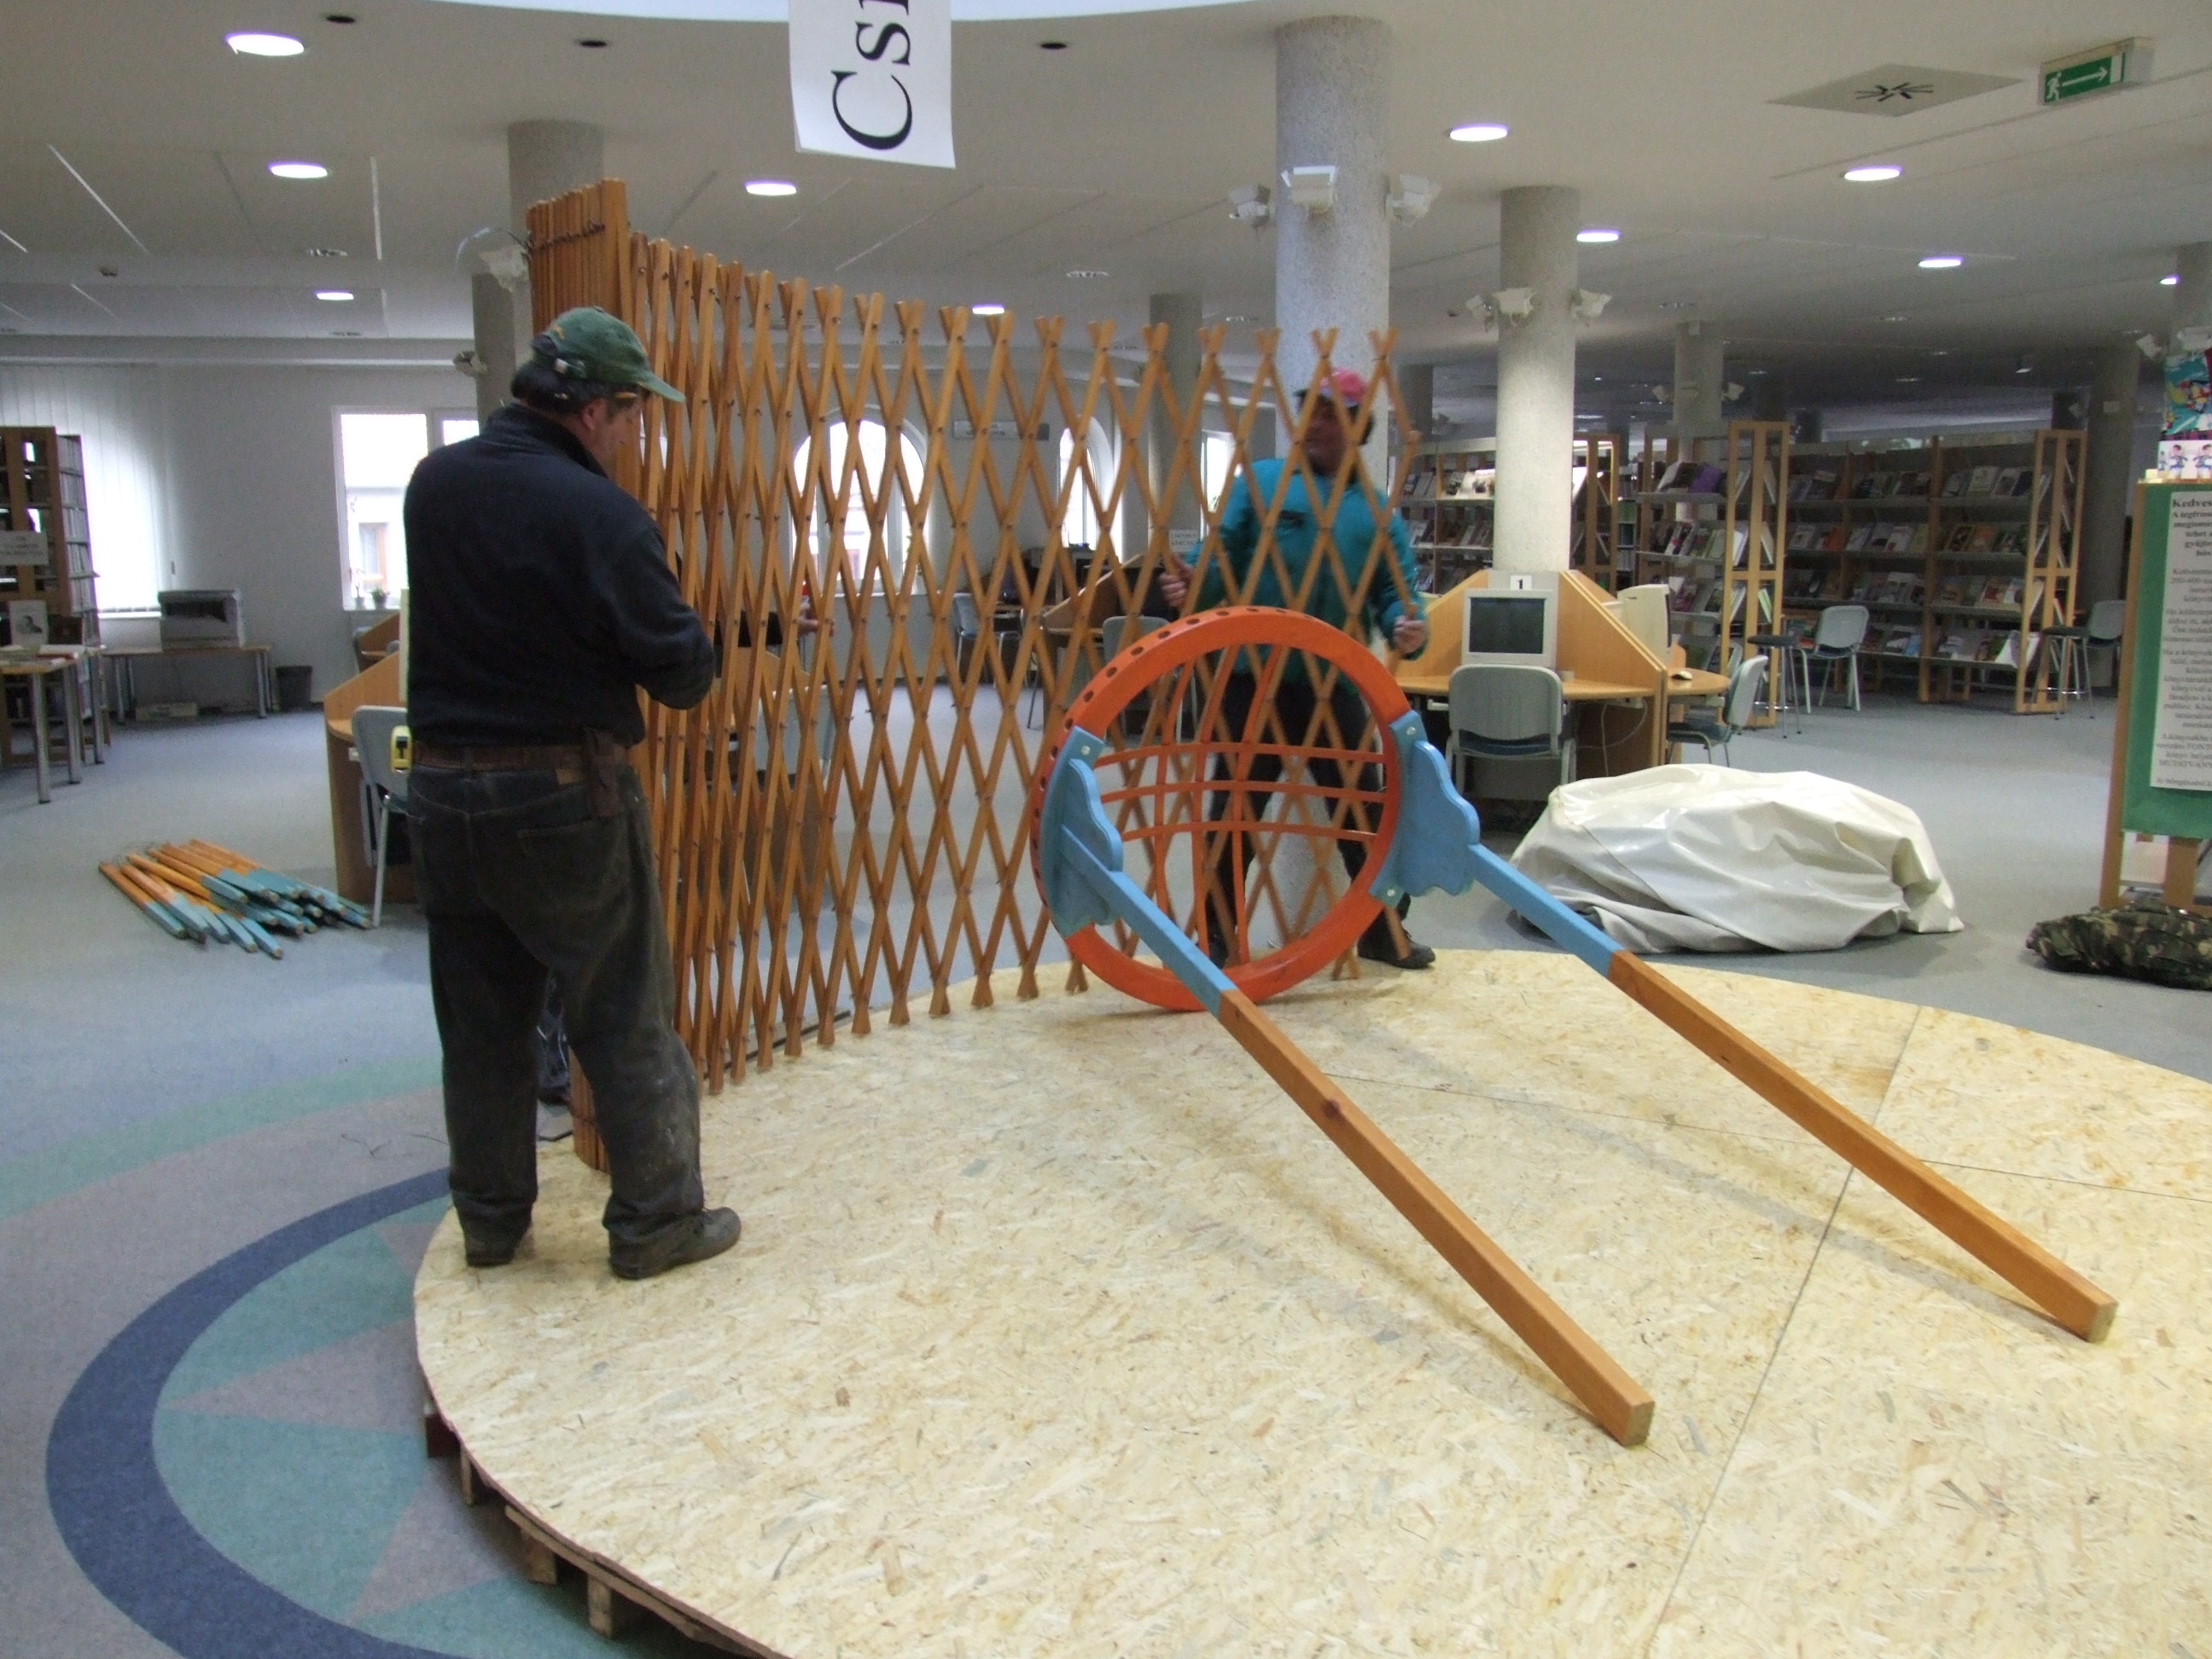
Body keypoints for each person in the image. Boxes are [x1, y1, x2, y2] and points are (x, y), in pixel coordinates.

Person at [403, 305, 741, 1280]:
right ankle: (656, 1221)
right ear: (596, 409)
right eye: (634, 416)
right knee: (621, 1011)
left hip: (442, 794)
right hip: (562, 798)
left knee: (479, 1026)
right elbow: (683, 674)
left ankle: (490, 1222)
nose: (634, 437)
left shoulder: (433, 484)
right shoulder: (603, 515)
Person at [1159, 370, 1435, 969]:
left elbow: (1395, 593)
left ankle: (1382, 930)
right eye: (1310, 409)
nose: (1316, 423)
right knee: (1233, 812)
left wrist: (1406, 628)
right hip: (1250, 676)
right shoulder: (1261, 484)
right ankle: (1218, 939)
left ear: (1359, 428)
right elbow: (1219, 557)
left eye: (1333, 414)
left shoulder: (1377, 514)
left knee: (1363, 811)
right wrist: (1192, 583)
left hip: (1331, 682)